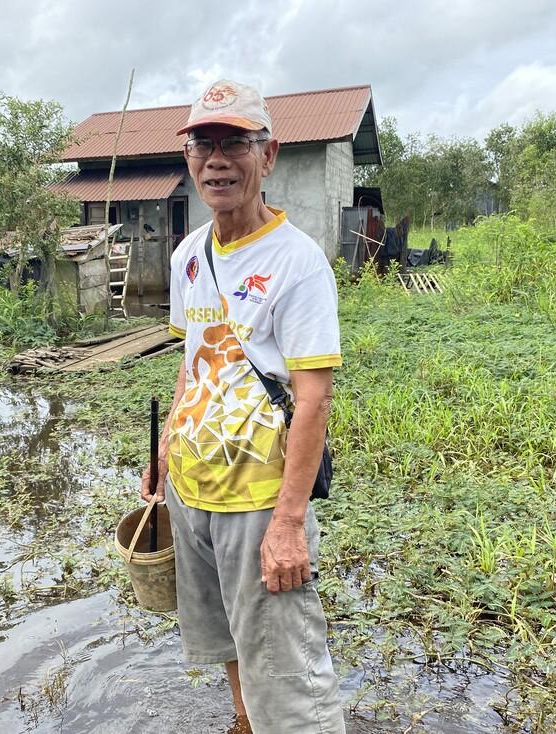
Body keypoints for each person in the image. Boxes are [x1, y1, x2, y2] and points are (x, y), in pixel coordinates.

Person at [140, 79, 346, 734]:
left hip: (259, 501)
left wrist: (288, 522)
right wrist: (164, 449)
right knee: (226, 634)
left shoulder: (299, 262)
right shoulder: (187, 257)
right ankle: (243, 721)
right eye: (204, 143)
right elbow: (191, 362)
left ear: (269, 154)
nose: (217, 159)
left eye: (235, 143)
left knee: (286, 665)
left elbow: (313, 398)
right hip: (193, 492)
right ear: (189, 159)